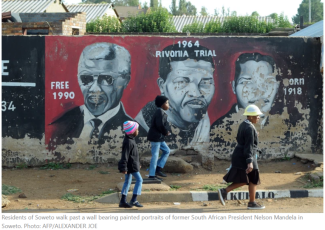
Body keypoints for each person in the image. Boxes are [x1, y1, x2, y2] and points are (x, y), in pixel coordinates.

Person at [48, 42, 146, 149]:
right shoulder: (59, 126)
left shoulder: (138, 135)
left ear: (125, 80)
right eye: (86, 78)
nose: (94, 89)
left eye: (106, 79)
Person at [135, 44, 215, 149]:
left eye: (205, 82)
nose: (196, 94)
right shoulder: (141, 129)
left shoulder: (206, 124)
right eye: (181, 82)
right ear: (162, 85)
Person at [210, 52, 279, 158]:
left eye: (268, 82)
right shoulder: (218, 129)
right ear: (234, 87)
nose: (259, 91)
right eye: (247, 82)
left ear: (277, 86)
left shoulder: (286, 127)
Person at [218, 104, 265, 210]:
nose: (258, 117)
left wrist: (254, 135)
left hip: (241, 155)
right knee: (249, 178)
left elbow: (243, 140)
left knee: (251, 179)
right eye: (257, 115)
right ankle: (225, 191)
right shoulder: (249, 128)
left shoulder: (245, 124)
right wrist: (250, 161)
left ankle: (251, 202)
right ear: (252, 116)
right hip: (246, 156)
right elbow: (248, 146)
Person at [118, 121, 143, 208]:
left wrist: (138, 163)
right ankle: (133, 200)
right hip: (131, 166)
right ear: (132, 131)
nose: (138, 131)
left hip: (132, 165)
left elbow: (134, 154)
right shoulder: (129, 141)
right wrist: (123, 167)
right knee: (139, 180)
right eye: (137, 129)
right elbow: (125, 155)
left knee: (128, 182)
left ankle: (123, 201)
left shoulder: (130, 140)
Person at [147, 95, 171, 181]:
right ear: (162, 104)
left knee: (167, 151)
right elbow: (159, 125)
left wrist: (166, 132)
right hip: (156, 137)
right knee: (155, 155)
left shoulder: (161, 112)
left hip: (159, 138)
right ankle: (152, 175)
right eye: (167, 103)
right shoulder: (159, 112)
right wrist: (165, 132)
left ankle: (158, 169)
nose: (168, 105)